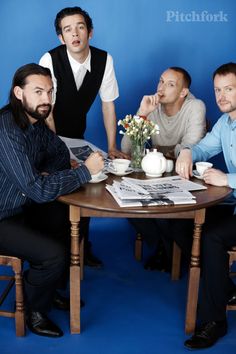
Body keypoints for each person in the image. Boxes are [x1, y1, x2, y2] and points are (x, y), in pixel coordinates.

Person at [0, 63, 104, 338]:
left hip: (22, 208)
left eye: (50, 91)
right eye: (38, 92)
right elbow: (38, 190)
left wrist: (48, 173)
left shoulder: (35, 123)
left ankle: (48, 291)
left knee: (73, 219)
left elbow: (58, 152)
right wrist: (84, 171)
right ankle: (35, 312)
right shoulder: (7, 128)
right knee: (53, 254)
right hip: (2, 215)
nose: (46, 99)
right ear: (19, 93)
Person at [39, 6, 127, 268]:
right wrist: (57, 150)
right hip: (47, 135)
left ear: (90, 32)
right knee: (56, 192)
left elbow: (108, 104)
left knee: (87, 183)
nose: (74, 33)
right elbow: (47, 110)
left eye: (80, 27)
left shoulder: (104, 60)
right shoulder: (49, 59)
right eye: (68, 29)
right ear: (61, 37)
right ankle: (57, 254)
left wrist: (112, 146)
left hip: (77, 133)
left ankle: (82, 248)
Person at [175, 62, 236, 349]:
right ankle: (223, 287)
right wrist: (187, 151)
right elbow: (203, 147)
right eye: (217, 90)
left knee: (211, 237)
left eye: (229, 89)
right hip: (233, 205)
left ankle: (215, 321)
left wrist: (228, 178)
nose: (221, 96)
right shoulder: (226, 123)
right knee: (181, 219)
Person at [121, 67, 206, 271]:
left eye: (170, 84)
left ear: (183, 92)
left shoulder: (195, 106)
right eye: (160, 81)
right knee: (127, 206)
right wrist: (142, 114)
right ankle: (162, 247)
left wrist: (157, 150)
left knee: (168, 217)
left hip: (184, 178)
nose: (161, 87)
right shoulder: (152, 107)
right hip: (154, 176)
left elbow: (192, 146)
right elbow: (126, 149)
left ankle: (170, 253)